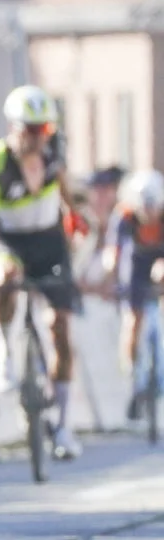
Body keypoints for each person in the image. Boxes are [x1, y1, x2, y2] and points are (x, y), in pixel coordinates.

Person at [0, 85, 82, 460]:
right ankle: (3, 347)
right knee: (3, 278)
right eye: (30, 130)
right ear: (14, 128)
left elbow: (65, 191)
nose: (37, 138)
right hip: (9, 240)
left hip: (48, 240)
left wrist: (76, 218)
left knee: (60, 327)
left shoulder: (54, 153)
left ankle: (62, 425)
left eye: (43, 130)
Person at [108, 169, 164, 420]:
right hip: (136, 267)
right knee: (133, 320)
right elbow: (115, 253)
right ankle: (133, 374)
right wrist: (110, 274)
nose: (149, 214)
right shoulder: (125, 216)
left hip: (160, 261)